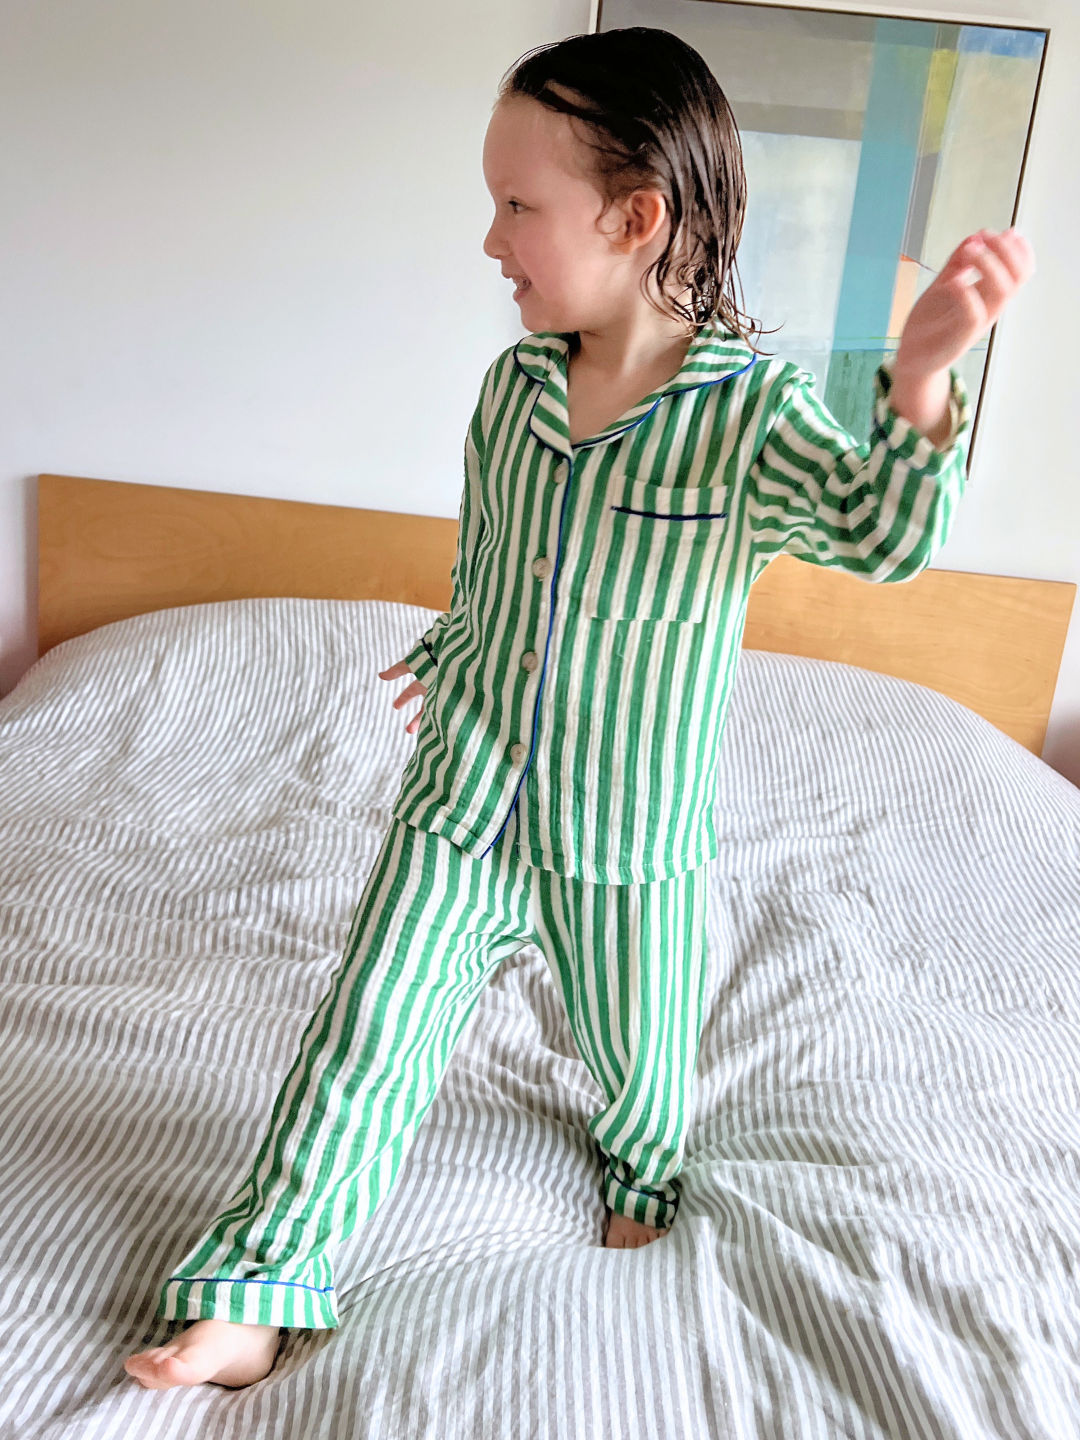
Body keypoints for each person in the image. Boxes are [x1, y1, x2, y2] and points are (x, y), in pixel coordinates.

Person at [124, 26, 1034, 1391]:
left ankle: (644, 1166)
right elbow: (496, 561)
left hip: (631, 829)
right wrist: (458, 647)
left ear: (636, 215)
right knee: (368, 1029)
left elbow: (883, 534)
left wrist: (918, 382)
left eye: (516, 206)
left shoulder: (751, 418)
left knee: (640, 1054)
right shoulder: (512, 393)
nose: (491, 240)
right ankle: (259, 1279)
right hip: (471, 790)